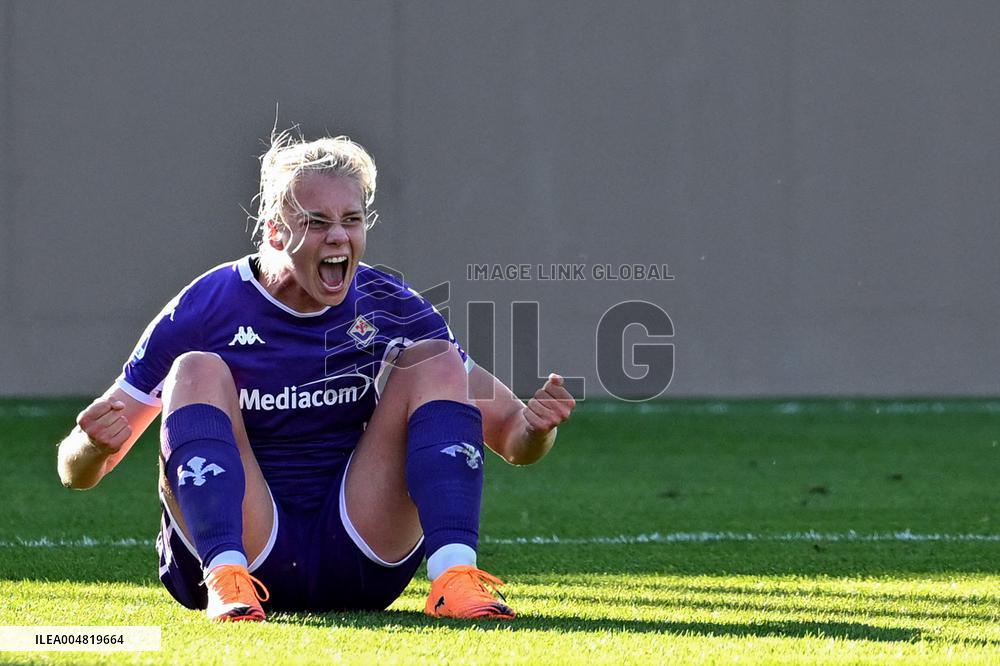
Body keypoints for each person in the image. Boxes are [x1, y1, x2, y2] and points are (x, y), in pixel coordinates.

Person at [56, 132, 575, 622]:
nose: (338, 237)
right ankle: (225, 577)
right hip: (247, 546)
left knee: (436, 359)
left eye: (351, 220)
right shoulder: (204, 308)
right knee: (196, 368)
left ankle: (454, 579)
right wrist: (93, 445)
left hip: (360, 556)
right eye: (316, 221)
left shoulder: (391, 305)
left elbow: (513, 439)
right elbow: (77, 471)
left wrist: (537, 427)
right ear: (276, 231)